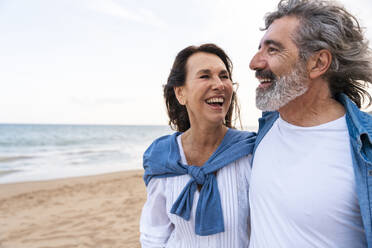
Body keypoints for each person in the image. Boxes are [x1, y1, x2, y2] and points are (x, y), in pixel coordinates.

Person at [248, 0, 372, 247]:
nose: (254, 62)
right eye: (260, 49)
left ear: (318, 63)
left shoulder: (365, 148)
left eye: (272, 50)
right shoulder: (267, 128)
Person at [140, 43, 256, 247]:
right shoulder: (163, 158)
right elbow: (155, 235)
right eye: (205, 76)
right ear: (180, 93)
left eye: (224, 76)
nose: (219, 84)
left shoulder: (250, 153)